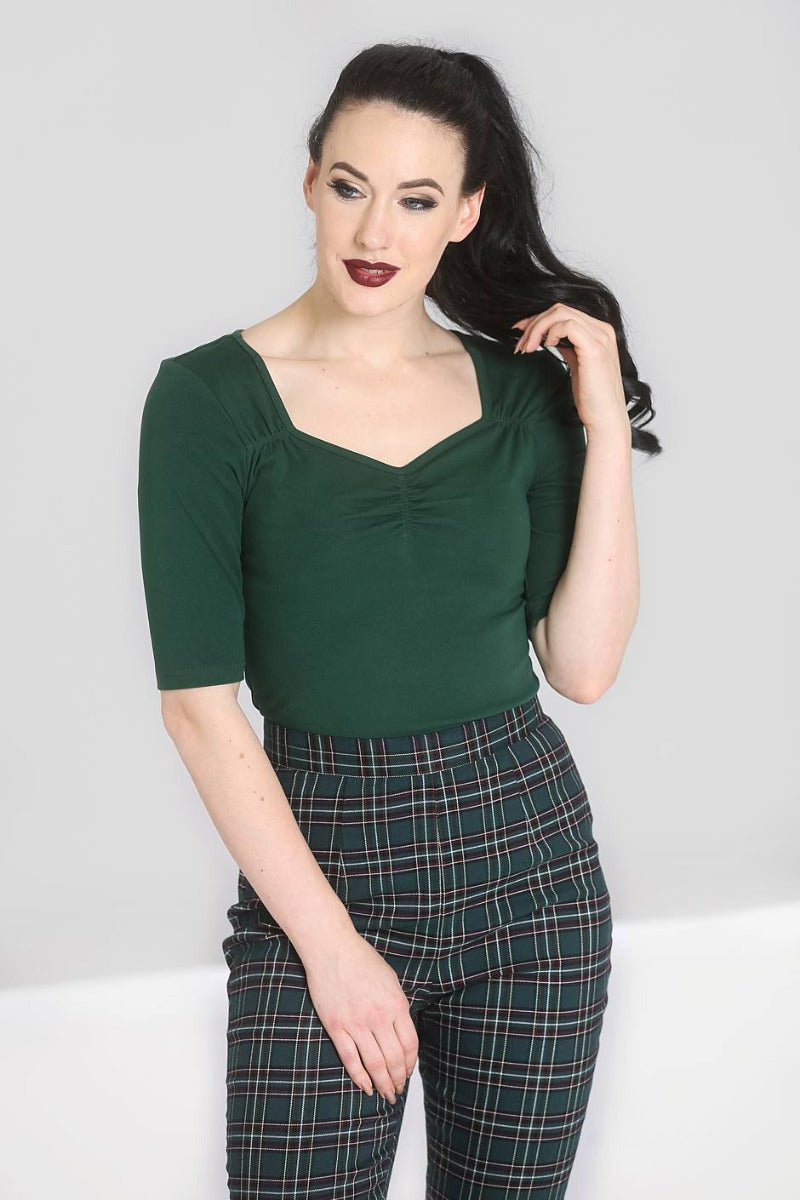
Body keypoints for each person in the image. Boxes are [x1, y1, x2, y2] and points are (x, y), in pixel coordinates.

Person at [137, 40, 656, 1200]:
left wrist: (602, 429)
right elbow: (197, 710)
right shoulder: (206, 401)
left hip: (528, 869)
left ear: (465, 213)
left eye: (417, 199)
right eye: (351, 186)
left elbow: (580, 667)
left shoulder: (520, 398)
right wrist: (329, 949)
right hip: (319, 856)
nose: (375, 231)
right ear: (308, 181)